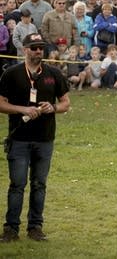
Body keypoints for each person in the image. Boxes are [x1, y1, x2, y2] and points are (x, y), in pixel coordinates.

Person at [0, 33, 70, 242]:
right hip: (19, 139)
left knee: (39, 184)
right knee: (17, 184)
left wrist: (53, 107)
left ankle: (35, 227)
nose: (38, 51)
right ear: (24, 50)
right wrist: (23, 109)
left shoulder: (53, 73)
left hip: (44, 139)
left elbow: (66, 103)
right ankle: (11, 229)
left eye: (41, 47)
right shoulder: (11, 74)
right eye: (34, 47)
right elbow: (1, 103)